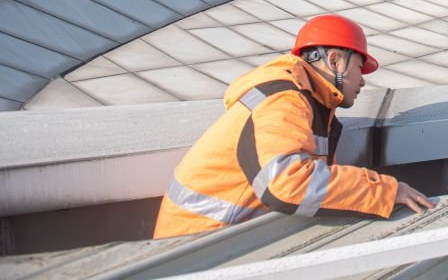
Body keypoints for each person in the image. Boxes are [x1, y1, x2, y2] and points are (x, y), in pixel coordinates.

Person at [154, 14, 433, 238]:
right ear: (335, 61)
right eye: (359, 67)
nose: (362, 80)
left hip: (217, 240)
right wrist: (386, 191)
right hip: (195, 249)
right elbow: (287, 184)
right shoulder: (285, 100)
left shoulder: (309, 101)